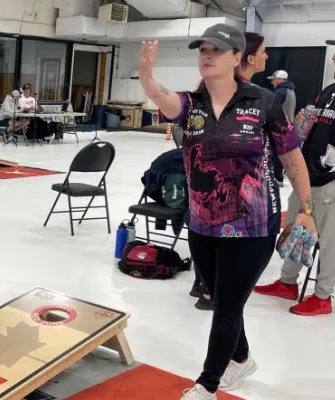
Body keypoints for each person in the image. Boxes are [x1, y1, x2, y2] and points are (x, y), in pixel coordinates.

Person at [139, 24, 316, 399]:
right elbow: (164, 100)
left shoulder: (263, 102)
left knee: (226, 305)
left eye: (216, 50)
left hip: (252, 225)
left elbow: (293, 158)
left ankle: (207, 384)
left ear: (237, 58)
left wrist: (305, 209)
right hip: (202, 222)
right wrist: (147, 75)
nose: (206, 55)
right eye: (202, 49)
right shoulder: (192, 104)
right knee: (223, 300)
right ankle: (242, 357)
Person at [253, 46, 335, 317]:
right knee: (293, 229)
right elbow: (311, 131)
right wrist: (303, 124)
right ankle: (287, 282)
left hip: (331, 181)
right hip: (307, 174)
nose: (333, 58)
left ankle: (322, 297)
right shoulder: (329, 91)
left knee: (330, 239)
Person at [191, 31, 270, 311]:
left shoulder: (256, 96)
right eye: (262, 51)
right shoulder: (223, 93)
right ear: (246, 58)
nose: (266, 57)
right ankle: (208, 287)